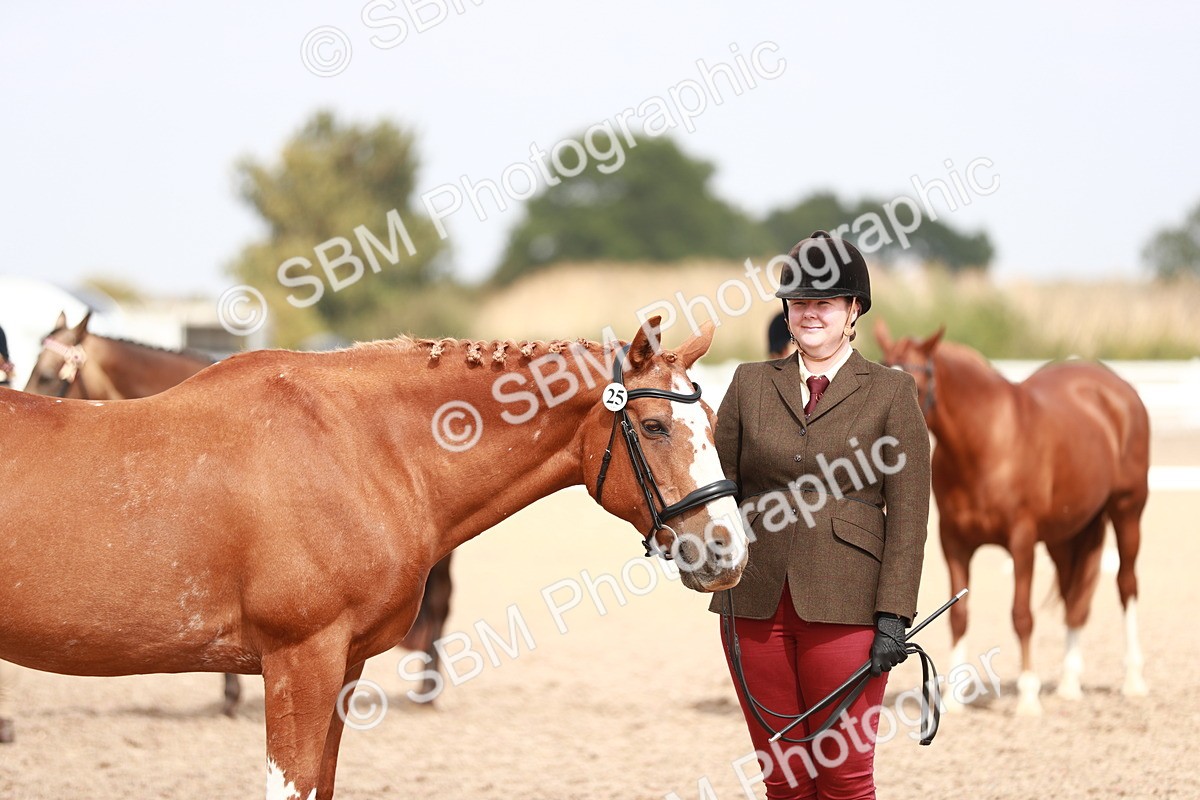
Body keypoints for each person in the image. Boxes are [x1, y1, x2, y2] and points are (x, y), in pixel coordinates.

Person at [711, 231, 931, 799]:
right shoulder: (748, 384)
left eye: (825, 302)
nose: (811, 313)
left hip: (850, 606)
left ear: (853, 310)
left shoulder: (891, 391)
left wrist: (893, 616)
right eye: (801, 301)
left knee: (844, 778)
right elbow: (719, 491)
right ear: (786, 309)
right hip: (754, 605)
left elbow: (909, 514)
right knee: (783, 778)